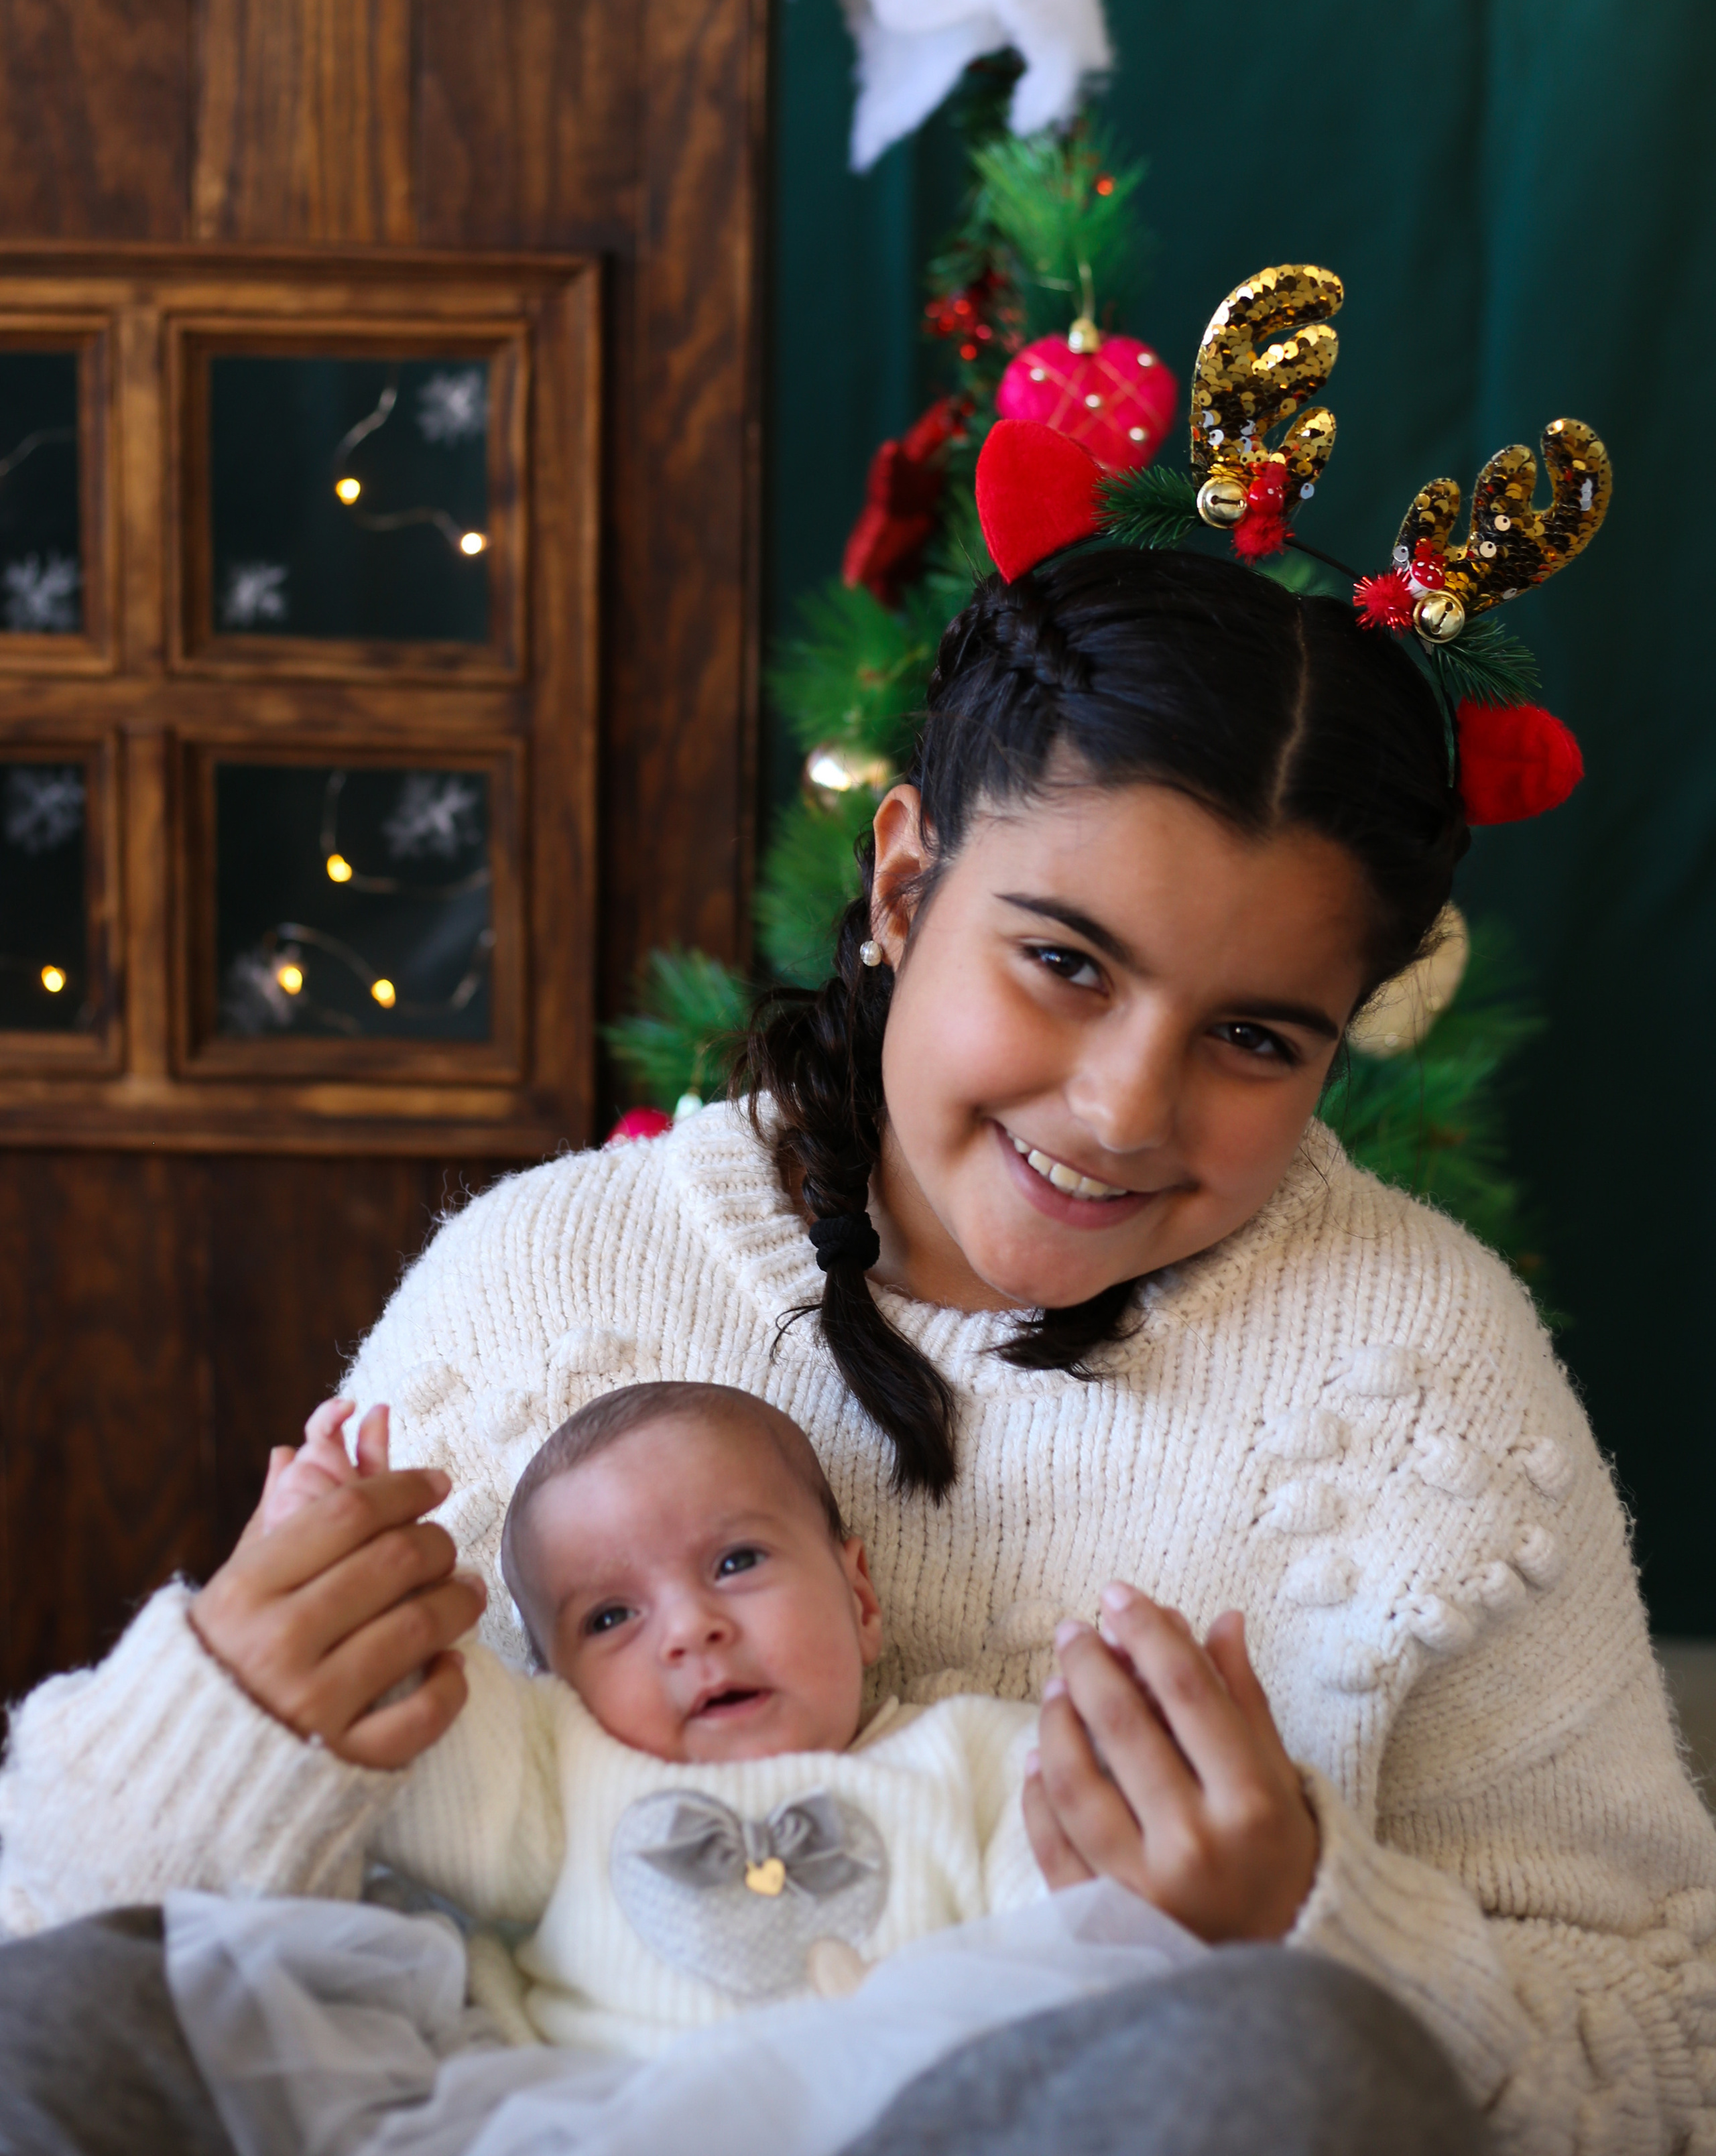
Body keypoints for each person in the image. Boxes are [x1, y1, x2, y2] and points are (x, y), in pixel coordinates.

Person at [1, 387, 1711, 2155]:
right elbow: (72, 1933)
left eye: (1256, 1038)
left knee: (1280, 2057)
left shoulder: (1423, 1366)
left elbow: (1671, 2054)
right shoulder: (547, 1281)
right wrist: (229, 1724)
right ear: (902, 888)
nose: (1122, 1108)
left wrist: (1311, 1914)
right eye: (1062, 963)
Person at [257, 1379, 1047, 2051]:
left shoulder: (976, 1757)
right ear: (555, 1685)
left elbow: (1079, 1943)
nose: (690, 1629)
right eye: (609, 1618)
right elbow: (420, 1731)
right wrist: (336, 1568)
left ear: (860, 1601)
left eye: (736, 1562)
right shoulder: (554, 1769)